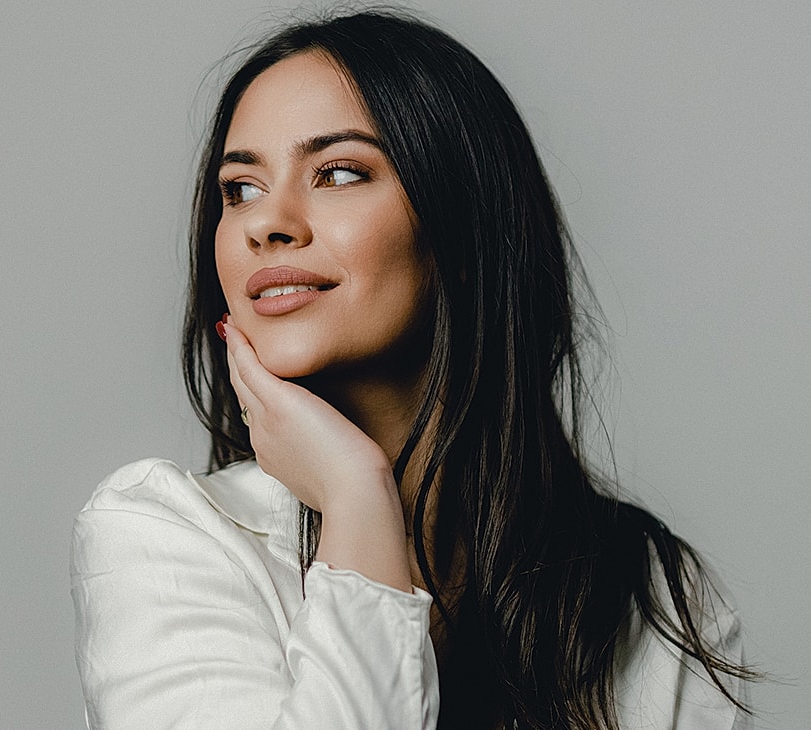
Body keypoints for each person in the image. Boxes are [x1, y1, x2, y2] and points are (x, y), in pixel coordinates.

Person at [70, 10, 756, 729]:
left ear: (461, 228)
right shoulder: (164, 539)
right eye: (240, 188)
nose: (265, 223)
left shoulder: (653, 596)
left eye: (337, 173)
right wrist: (357, 497)